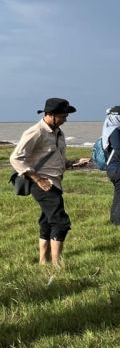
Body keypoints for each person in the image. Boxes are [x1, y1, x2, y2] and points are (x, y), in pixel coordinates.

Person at [9, 98, 90, 267]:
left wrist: (73, 162)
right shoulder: (36, 132)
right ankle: (57, 265)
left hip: (55, 182)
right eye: (63, 115)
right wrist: (38, 179)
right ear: (50, 115)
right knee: (61, 222)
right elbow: (16, 158)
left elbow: (55, 159)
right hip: (42, 184)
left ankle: (43, 262)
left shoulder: (58, 132)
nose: (65, 119)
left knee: (47, 221)